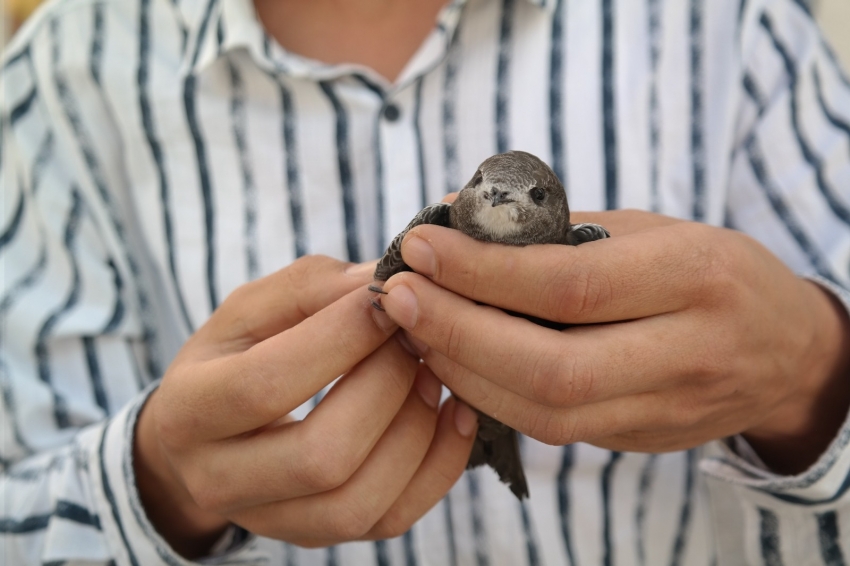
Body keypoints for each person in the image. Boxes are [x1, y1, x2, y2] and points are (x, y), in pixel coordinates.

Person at [2, 0, 849, 563]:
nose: (504, 207)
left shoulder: (729, 20)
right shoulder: (59, 78)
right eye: (493, 195)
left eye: (529, 200)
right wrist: (153, 483)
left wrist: (815, 377)